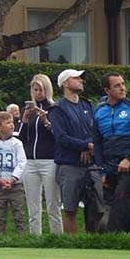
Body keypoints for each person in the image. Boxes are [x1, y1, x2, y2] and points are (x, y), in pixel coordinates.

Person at [92, 73, 130, 233]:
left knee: (121, 196)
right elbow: (97, 143)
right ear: (107, 90)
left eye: (123, 84)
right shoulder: (99, 112)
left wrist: (129, 158)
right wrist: (102, 170)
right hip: (109, 166)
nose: (123, 88)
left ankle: (111, 237)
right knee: (129, 202)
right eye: (117, 85)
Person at [50, 68, 104, 234]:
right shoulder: (57, 108)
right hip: (69, 164)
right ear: (65, 83)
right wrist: (85, 146)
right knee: (70, 210)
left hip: (91, 164)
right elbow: (61, 137)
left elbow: (95, 131)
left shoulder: (88, 104)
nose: (81, 80)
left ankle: (94, 243)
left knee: (98, 208)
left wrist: (88, 145)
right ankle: (72, 247)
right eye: (77, 78)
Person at [17, 74, 62, 235]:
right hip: (31, 162)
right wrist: (24, 120)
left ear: (47, 89)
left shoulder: (55, 109)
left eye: (40, 89)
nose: (37, 93)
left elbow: (58, 136)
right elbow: (21, 138)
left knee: (53, 204)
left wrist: (46, 121)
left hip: (49, 161)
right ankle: (35, 238)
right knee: (33, 205)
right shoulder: (29, 110)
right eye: (35, 90)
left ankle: (57, 238)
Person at [0, 111, 28, 234]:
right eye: (8, 122)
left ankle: (23, 239)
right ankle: (0, 239)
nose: (12, 125)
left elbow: (22, 162)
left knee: (19, 213)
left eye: (12, 122)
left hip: (16, 185)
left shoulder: (17, 143)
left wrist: (13, 179)